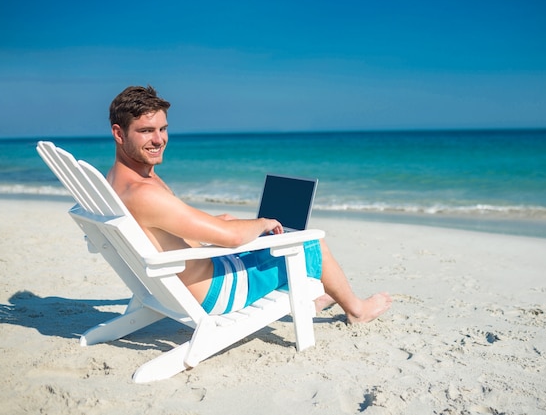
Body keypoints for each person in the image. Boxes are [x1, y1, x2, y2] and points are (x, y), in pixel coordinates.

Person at [106, 85, 392, 323]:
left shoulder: (119, 182)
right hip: (215, 291)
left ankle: (317, 297)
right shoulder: (143, 192)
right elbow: (231, 239)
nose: (159, 140)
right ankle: (356, 310)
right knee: (310, 244)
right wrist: (263, 222)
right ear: (119, 133)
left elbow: (160, 230)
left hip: (179, 280)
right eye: (146, 131)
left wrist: (218, 222)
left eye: (163, 128)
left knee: (248, 230)